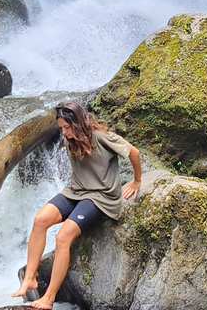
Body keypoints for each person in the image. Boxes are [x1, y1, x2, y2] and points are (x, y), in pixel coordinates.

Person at [12, 101, 142, 309]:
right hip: (75, 191)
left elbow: (133, 153)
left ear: (79, 122)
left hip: (100, 197)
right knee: (40, 220)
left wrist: (136, 181)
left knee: (63, 237)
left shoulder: (102, 137)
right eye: (61, 128)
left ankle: (49, 298)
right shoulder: (69, 139)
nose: (63, 132)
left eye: (67, 127)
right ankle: (30, 279)